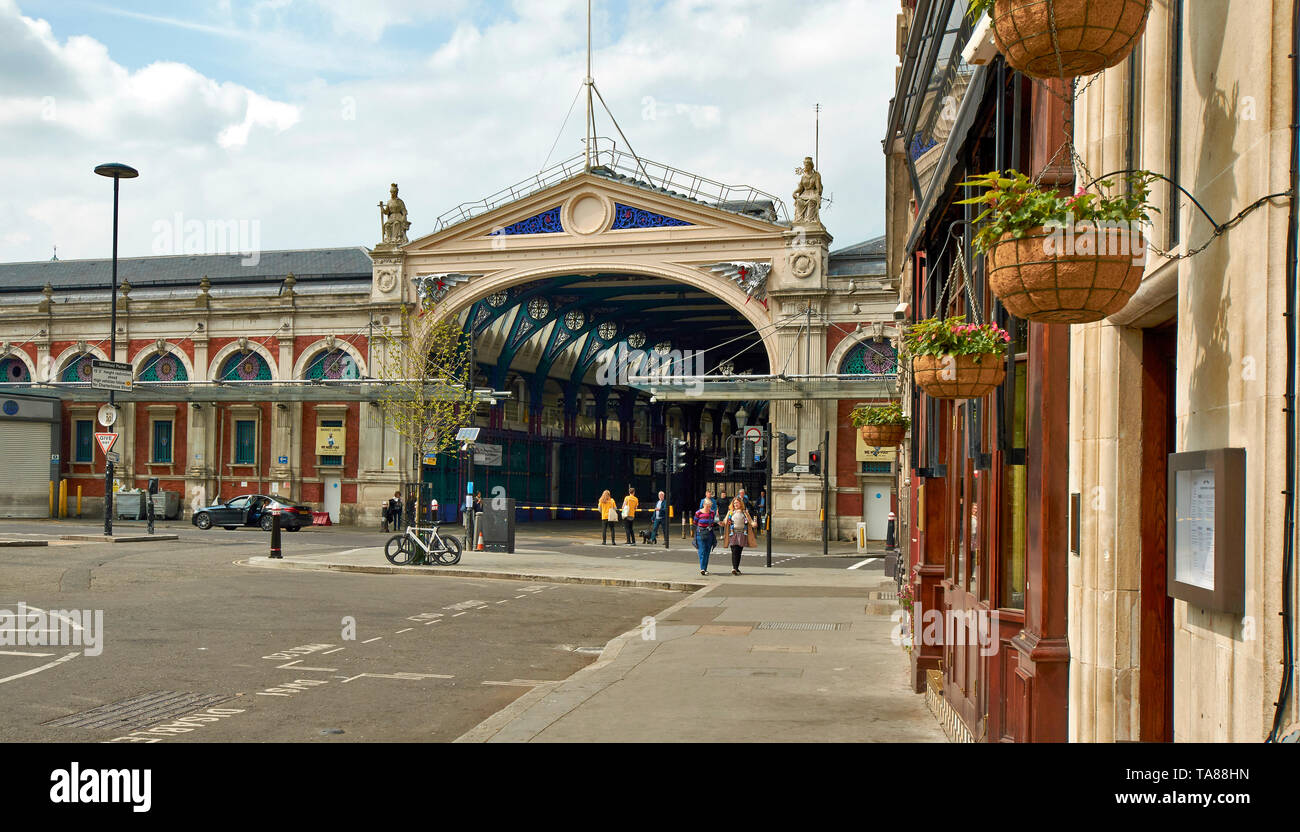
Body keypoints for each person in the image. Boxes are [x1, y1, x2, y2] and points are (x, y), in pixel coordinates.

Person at [724, 496, 755, 576]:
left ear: (740, 503)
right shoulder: (731, 512)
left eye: (737, 503)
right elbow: (725, 520)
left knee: (739, 551)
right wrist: (722, 523)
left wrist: (754, 524)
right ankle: (734, 568)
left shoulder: (744, 512)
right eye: (734, 503)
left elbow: (750, 521)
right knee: (734, 550)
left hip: (742, 533)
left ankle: (736, 568)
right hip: (733, 533)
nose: (735, 504)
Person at [694, 501, 717, 575]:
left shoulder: (712, 513)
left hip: (709, 533)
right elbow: (695, 522)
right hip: (700, 533)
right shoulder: (698, 513)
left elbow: (713, 522)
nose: (708, 508)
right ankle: (702, 568)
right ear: (703, 505)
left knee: (707, 551)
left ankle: (705, 568)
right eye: (707, 506)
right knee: (702, 551)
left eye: (710, 506)